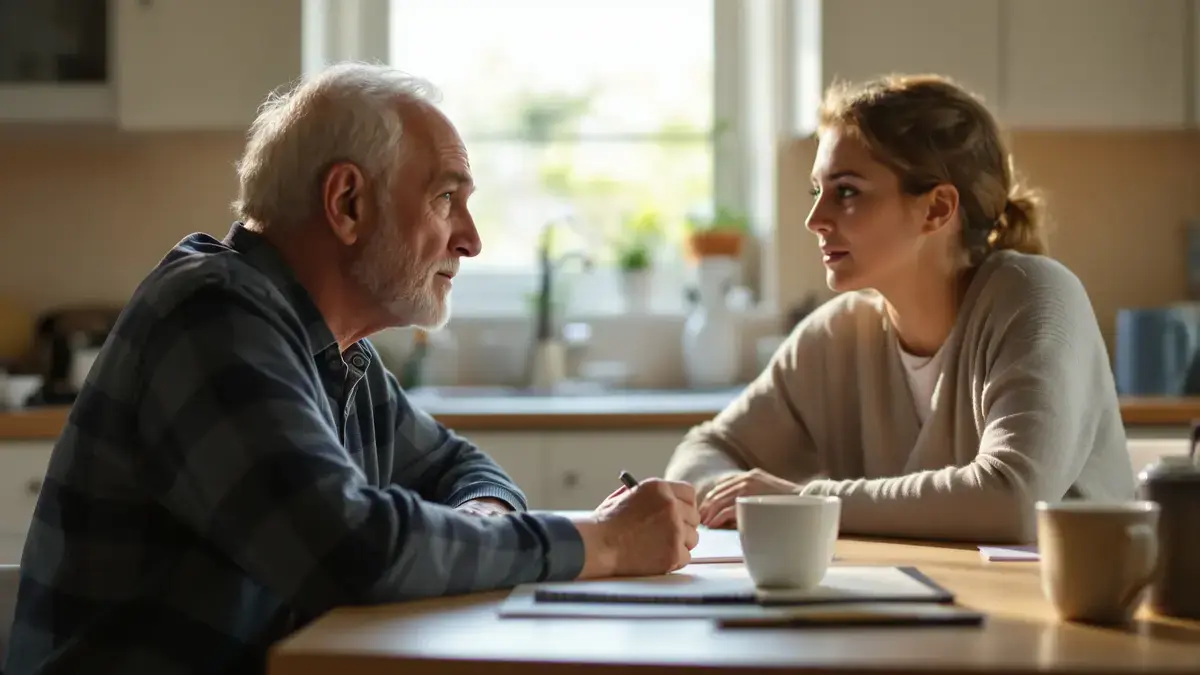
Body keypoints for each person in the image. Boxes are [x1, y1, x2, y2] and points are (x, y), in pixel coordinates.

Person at [4, 63, 699, 675]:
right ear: (347, 204)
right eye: (446, 198)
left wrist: (483, 526)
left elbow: (467, 470)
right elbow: (349, 551)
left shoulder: (335, 352)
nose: (472, 239)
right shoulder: (212, 314)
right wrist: (600, 543)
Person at [664, 74, 1135, 544]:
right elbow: (707, 450)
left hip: (1079, 610)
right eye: (817, 191)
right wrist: (736, 497)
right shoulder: (835, 337)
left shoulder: (1034, 298)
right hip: (930, 603)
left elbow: (1012, 501)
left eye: (846, 191)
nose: (815, 219)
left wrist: (808, 502)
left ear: (936, 209)